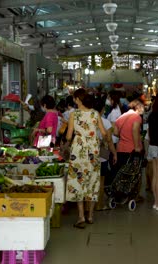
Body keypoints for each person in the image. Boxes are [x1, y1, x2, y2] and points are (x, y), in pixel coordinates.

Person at [66, 89, 107, 229]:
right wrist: (97, 141)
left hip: (78, 150)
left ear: (78, 99)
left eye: (74, 98)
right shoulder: (95, 113)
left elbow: (68, 136)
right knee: (93, 178)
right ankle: (90, 216)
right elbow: (103, 132)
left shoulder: (74, 114)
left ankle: (81, 217)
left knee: (78, 180)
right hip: (93, 150)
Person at [92, 98, 118, 210]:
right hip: (102, 154)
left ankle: (88, 207)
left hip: (90, 153)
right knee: (101, 180)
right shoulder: (106, 122)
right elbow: (109, 141)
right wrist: (114, 153)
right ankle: (99, 205)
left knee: (91, 180)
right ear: (102, 109)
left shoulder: (88, 121)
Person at [113, 98, 145, 173]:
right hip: (132, 150)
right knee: (133, 175)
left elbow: (115, 132)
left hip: (120, 150)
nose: (144, 109)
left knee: (123, 175)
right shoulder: (137, 117)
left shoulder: (121, 117)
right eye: (143, 107)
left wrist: (125, 136)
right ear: (138, 107)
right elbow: (135, 129)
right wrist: (137, 147)